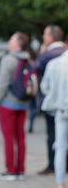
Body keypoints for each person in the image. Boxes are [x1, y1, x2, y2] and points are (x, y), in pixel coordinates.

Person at [0, 32, 33, 181]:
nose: (9, 41)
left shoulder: (8, 59)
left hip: (8, 103)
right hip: (23, 103)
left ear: (17, 43)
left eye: (11, 39)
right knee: (20, 137)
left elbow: (2, 83)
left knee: (9, 138)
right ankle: (21, 170)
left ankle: (11, 170)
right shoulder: (28, 58)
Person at [35, 25, 67, 175]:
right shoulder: (61, 53)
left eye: (45, 35)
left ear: (52, 37)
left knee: (55, 139)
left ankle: (54, 167)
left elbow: (43, 83)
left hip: (55, 104)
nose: (43, 37)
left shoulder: (48, 56)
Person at [41, 49, 68, 188]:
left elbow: (45, 87)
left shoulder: (54, 63)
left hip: (60, 109)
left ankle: (60, 182)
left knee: (60, 146)